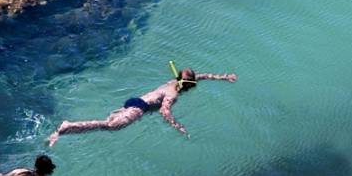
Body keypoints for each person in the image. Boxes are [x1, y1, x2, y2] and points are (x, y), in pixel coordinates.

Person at [47, 66, 237, 147]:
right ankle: (67, 126)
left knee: (110, 123)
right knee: (110, 127)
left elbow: (202, 76)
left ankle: (63, 132)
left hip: (134, 101)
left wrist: (222, 77)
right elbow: (164, 110)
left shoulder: (173, 82)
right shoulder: (172, 93)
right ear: (187, 85)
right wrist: (177, 126)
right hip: (139, 109)